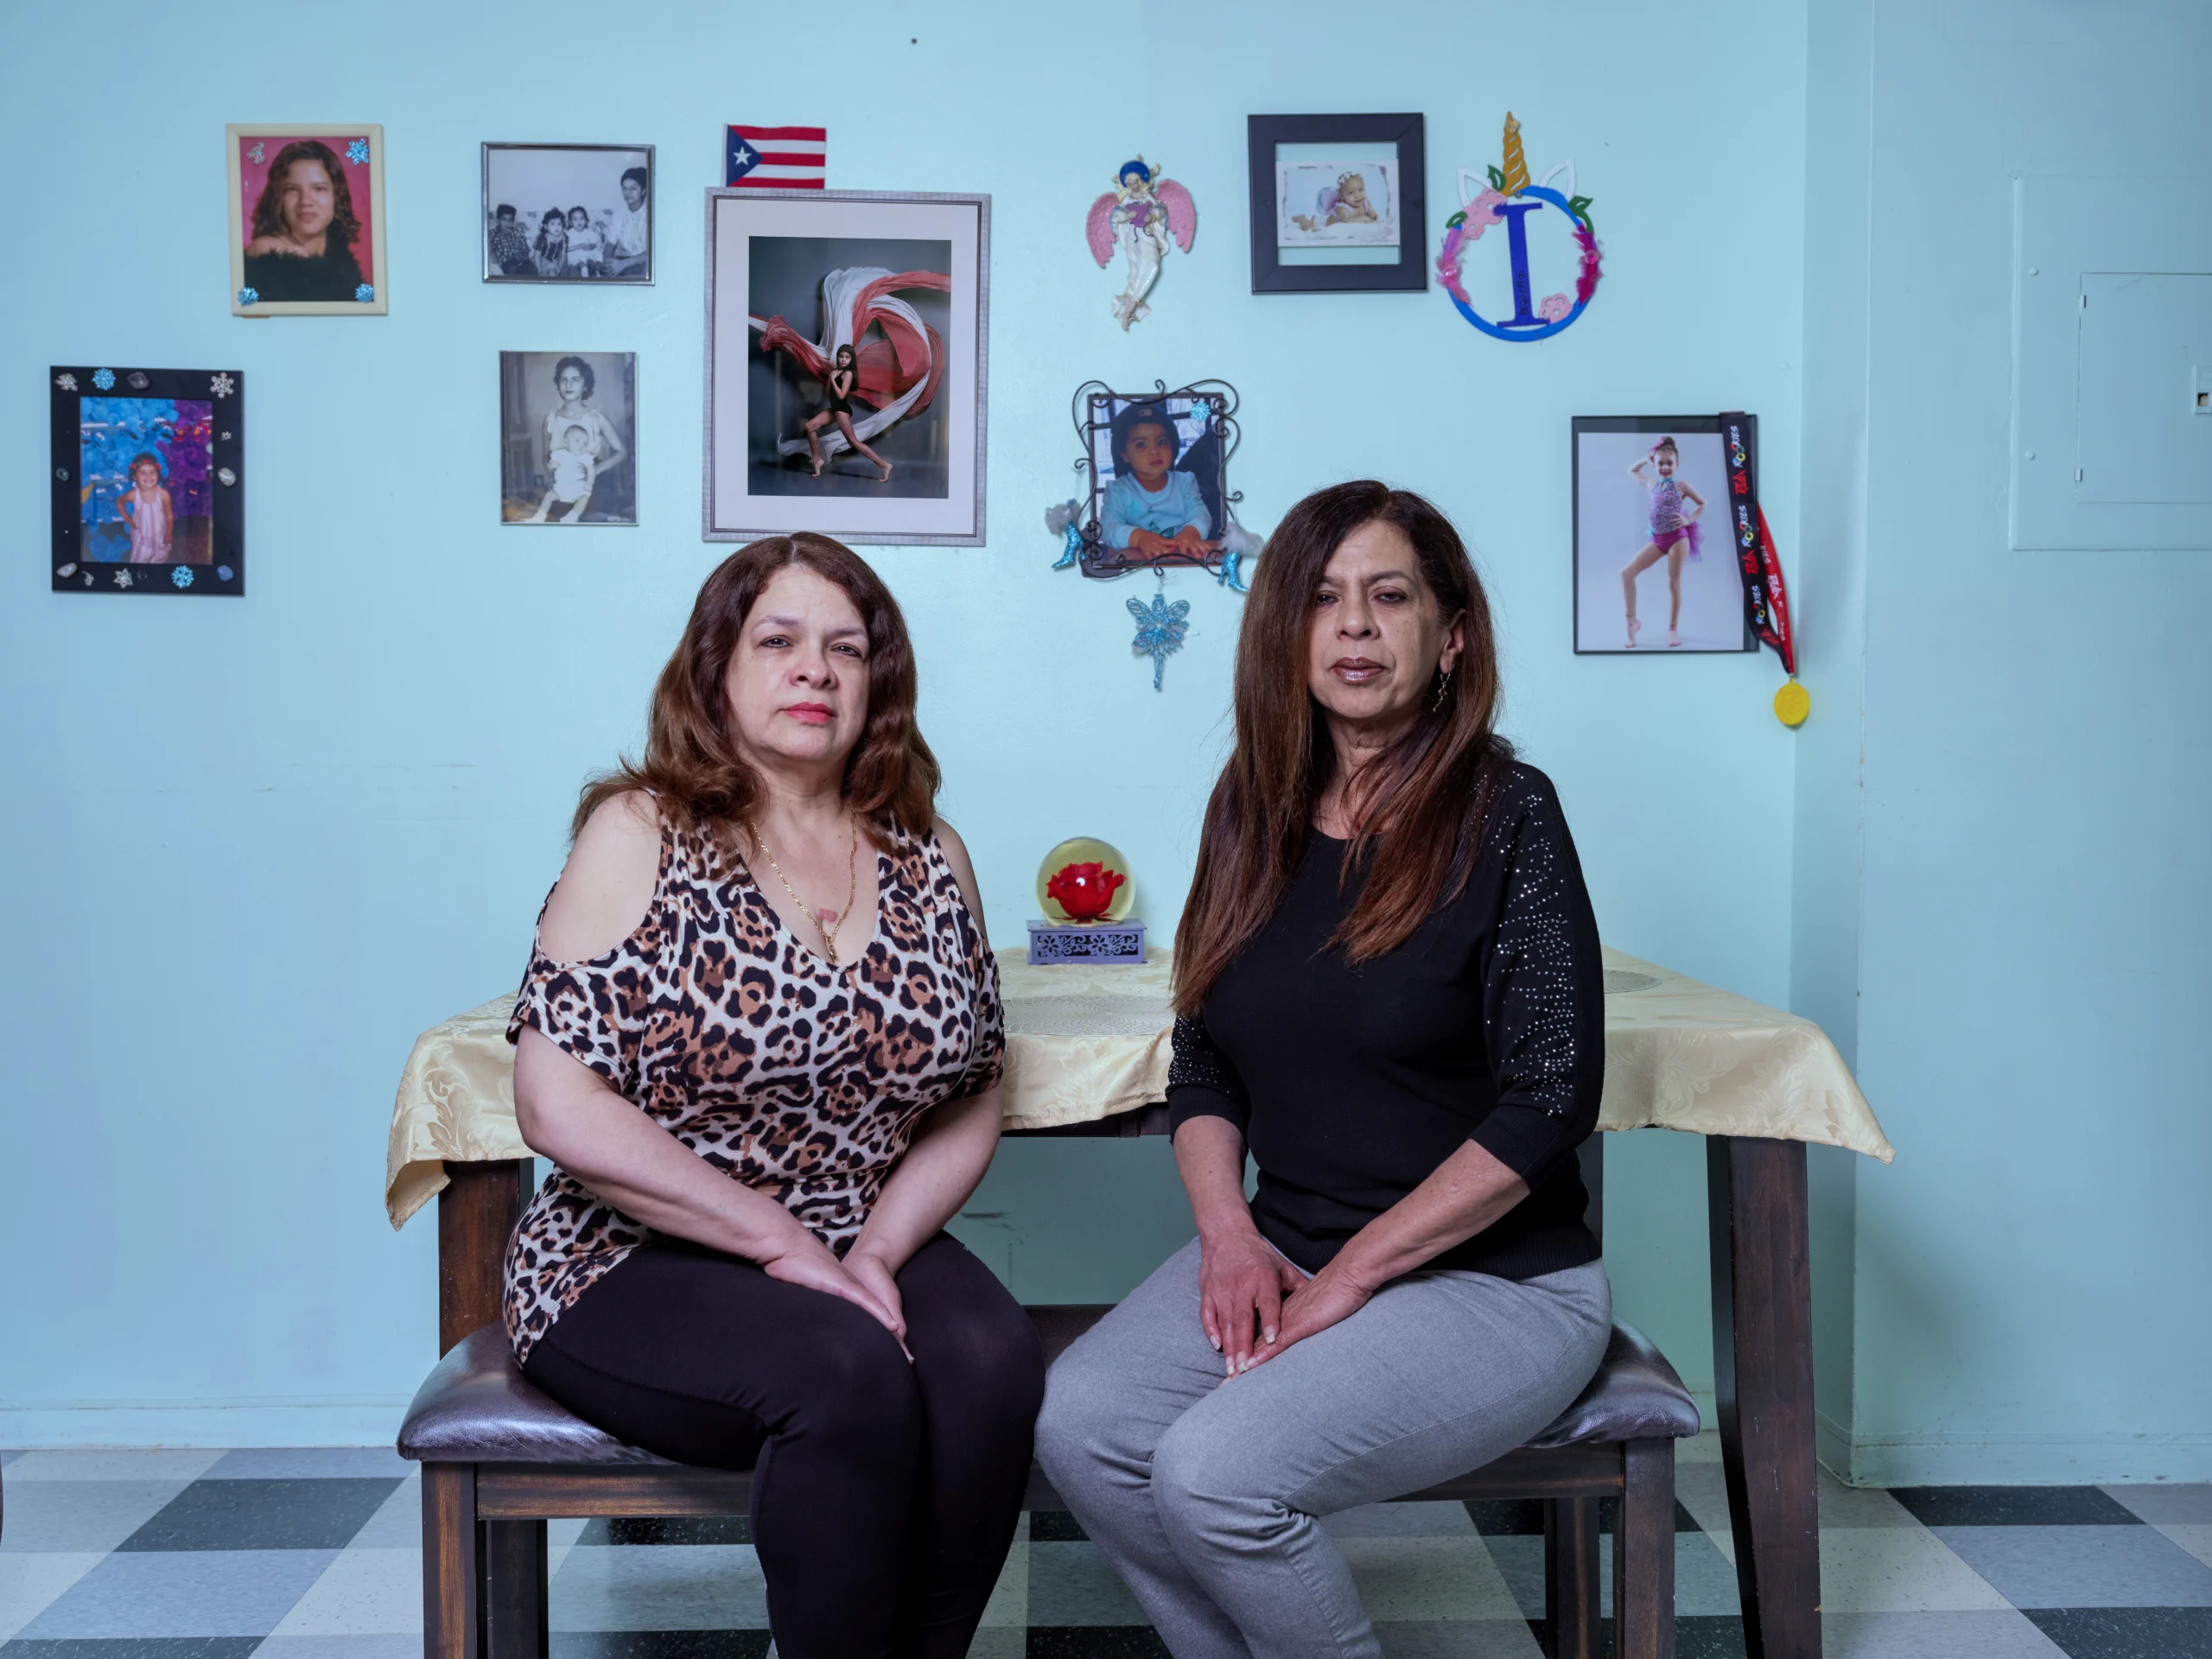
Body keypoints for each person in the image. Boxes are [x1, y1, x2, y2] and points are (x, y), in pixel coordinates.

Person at [1036, 481, 1612, 1659]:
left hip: (1497, 1286)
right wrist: (1229, 1237)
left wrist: (1352, 1274)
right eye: (1323, 598)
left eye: (1388, 596)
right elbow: (1205, 1058)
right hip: (1288, 1243)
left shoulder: (1508, 813)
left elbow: (1552, 1096)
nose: (1353, 624)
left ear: (1450, 637)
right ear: (1286, 633)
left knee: (1215, 1474)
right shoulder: (1252, 808)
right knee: (1082, 1426)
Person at [505, 533, 1043, 1659]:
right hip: (630, 1255)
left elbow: (972, 1092)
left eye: (846, 649)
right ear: (716, 668)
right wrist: (782, 1243)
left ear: (878, 684)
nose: (815, 670)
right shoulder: (640, 832)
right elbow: (557, 1105)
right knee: (846, 1374)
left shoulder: (930, 853)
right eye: (779, 641)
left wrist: (877, 1252)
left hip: (857, 1234)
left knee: (990, 1360)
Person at [242, 139, 366, 302]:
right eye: (292, 190)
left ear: (337, 197)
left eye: (319, 188)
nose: (305, 201)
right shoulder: (263, 255)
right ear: (277, 198)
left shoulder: (347, 269)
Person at [1100, 402, 1213, 561]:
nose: (1154, 451)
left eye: (1161, 442)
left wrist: (1192, 531)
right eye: (1141, 444)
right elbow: (1108, 527)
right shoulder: (1119, 490)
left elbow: (1200, 513)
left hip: (1179, 554)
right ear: (1124, 455)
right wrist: (1139, 538)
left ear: (1173, 446)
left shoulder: (1185, 482)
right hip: (1139, 560)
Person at [1620, 437, 1706, 648]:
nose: (1665, 467)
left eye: (1669, 463)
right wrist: (1644, 459)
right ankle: (1632, 621)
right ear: (1655, 464)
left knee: (1673, 582)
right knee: (1627, 573)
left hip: (1677, 538)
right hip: (1658, 539)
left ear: (1677, 464)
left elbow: (1702, 503)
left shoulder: (1683, 486)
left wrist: (1689, 519)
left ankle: (1672, 627)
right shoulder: (1651, 484)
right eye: (1661, 463)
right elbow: (1631, 470)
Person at [541, 355, 627, 508]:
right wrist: (552, 476)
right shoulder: (551, 419)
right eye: (563, 380)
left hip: (591, 484)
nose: (569, 385)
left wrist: (597, 469)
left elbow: (622, 452)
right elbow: (546, 455)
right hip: (562, 483)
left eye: (575, 380)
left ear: (585, 385)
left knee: (590, 514)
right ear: (558, 385)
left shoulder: (596, 418)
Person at [803, 343, 892, 481]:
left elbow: (841, 395)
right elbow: (828, 395)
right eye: (841, 356)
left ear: (851, 360)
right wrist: (830, 379)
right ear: (838, 357)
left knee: (853, 442)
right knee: (810, 427)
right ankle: (817, 460)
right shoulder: (836, 372)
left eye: (847, 357)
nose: (843, 359)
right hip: (834, 409)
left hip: (842, 410)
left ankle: (884, 465)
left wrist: (833, 380)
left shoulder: (848, 374)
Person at [529, 422, 598, 523]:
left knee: (584, 499)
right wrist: (552, 466)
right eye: (577, 441)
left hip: (577, 486)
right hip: (561, 487)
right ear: (566, 442)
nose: (581, 445)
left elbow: (591, 469)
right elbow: (550, 466)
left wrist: (589, 483)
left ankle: (572, 516)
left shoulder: (584, 456)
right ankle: (539, 516)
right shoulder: (558, 454)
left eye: (585, 443)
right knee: (549, 496)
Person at [118, 454, 174, 563]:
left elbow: (169, 516)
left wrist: (169, 533)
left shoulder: (163, 494)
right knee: (140, 558)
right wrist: (128, 519)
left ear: (158, 474)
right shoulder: (133, 495)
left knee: (159, 558)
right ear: (135, 477)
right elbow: (119, 503)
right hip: (141, 537)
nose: (148, 476)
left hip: (159, 535)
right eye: (143, 472)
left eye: (152, 472)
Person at [606, 166, 651, 276]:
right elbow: (609, 245)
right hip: (622, 260)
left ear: (643, 191)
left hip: (643, 262)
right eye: (624, 188)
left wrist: (624, 264)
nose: (628, 193)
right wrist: (608, 263)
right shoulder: (619, 214)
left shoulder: (651, 214)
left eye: (633, 188)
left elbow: (653, 251)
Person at [488, 203, 534, 276]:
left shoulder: (518, 232)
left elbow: (525, 248)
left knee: (533, 268)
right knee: (513, 271)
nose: (507, 223)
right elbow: (489, 248)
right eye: (504, 219)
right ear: (498, 220)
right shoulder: (494, 234)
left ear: (513, 222)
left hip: (522, 260)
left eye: (510, 220)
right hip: (507, 263)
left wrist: (523, 256)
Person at [562, 205, 603, 277]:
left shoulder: (589, 232)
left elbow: (594, 244)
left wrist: (590, 247)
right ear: (570, 222)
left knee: (593, 260)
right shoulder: (568, 234)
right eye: (575, 219)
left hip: (587, 255)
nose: (579, 221)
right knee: (577, 264)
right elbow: (565, 248)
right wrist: (578, 246)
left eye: (582, 218)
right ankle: (583, 268)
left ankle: (593, 270)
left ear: (586, 221)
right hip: (575, 256)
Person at [532, 207, 569, 276]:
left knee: (562, 271)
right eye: (552, 224)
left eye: (559, 224)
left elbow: (563, 255)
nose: (556, 227)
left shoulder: (564, 238)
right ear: (546, 226)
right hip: (542, 260)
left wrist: (559, 267)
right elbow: (537, 256)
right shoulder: (542, 238)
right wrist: (540, 271)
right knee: (551, 272)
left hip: (556, 259)